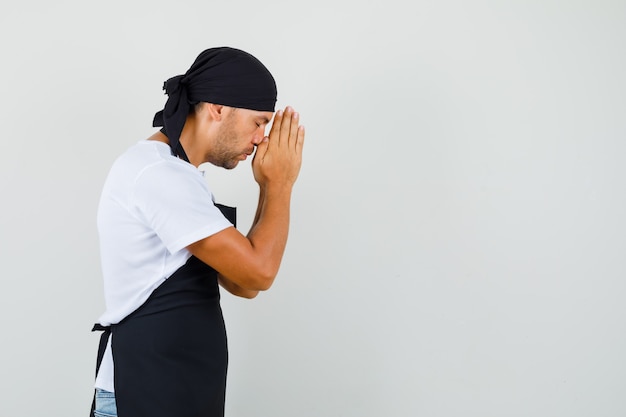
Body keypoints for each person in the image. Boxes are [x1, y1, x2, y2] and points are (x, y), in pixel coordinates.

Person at [90, 47, 305, 417]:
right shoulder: (159, 175)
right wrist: (281, 182)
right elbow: (259, 271)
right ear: (218, 109)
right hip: (147, 392)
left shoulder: (177, 175)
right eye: (258, 122)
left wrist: (269, 187)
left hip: (175, 392)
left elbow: (244, 284)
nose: (260, 139)